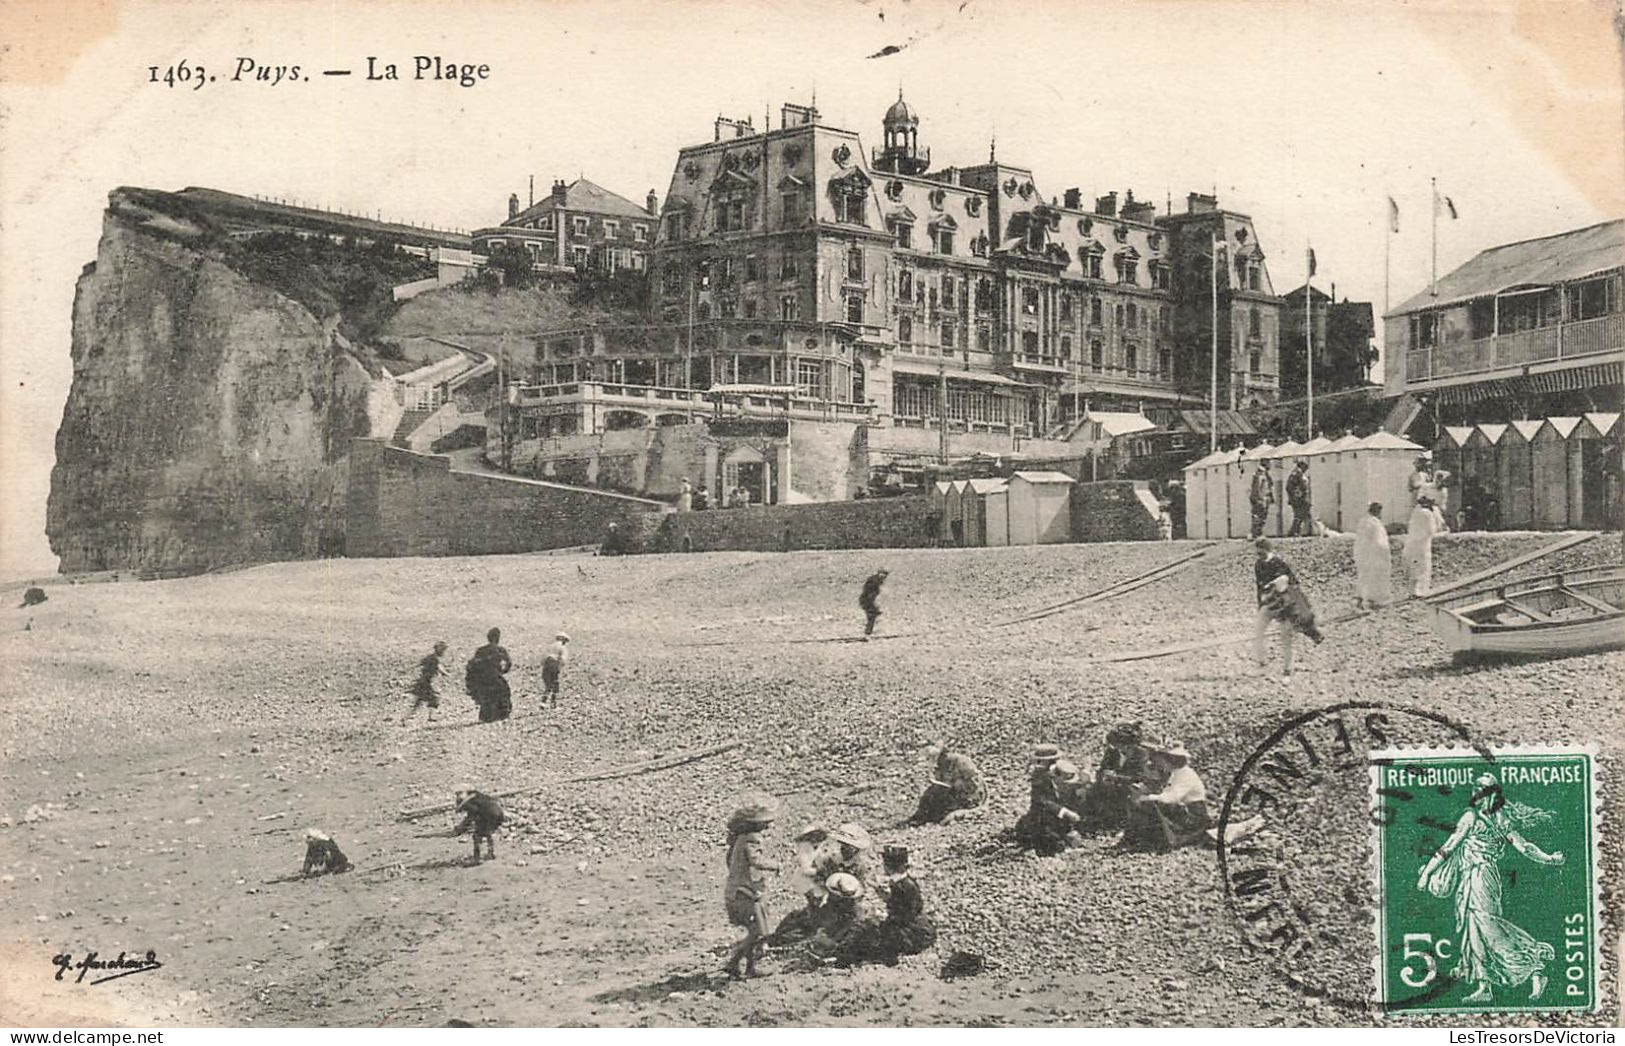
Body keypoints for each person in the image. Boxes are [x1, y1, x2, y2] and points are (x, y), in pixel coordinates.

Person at [1416, 773, 1564, 1004]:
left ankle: (1534, 965)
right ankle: (1485, 986)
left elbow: (1450, 847)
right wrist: (1548, 858)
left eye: (1481, 789)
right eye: (1476, 788)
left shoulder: (1484, 817)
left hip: (1481, 877)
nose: (1477, 793)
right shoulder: (1487, 817)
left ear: (1491, 793)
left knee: (1486, 927)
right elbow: (1451, 847)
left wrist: (1548, 858)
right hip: (1474, 877)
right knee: (1474, 929)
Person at [835, 846, 937, 966]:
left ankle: (846, 958)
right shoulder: (906, 882)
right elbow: (903, 905)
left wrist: (884, 918)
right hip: (921, 930)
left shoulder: (901, 886)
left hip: (911, 934)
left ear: (886, 865)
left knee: (867, 930)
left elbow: (904, 914)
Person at [724, 793, 783, 979]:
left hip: (739, 890)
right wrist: (775, 865)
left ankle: (747, 967)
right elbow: (756, 860)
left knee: (754, 931)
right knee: (758, 931)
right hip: (746, 893)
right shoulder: (752, 839)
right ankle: (734, 961)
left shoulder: (738, 840)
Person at [1120, 742, 1211, 851]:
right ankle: (1136, 840)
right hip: (1183, 812)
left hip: (1192, 816)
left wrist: (1148, 797)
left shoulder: (1186, 775)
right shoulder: (1176, 773)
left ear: (1169, 760)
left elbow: (1171, 798)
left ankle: (1161, 840)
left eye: (1161, 760)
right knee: (1143, 803)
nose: (1159, 763)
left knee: (1150, 804)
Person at [1253, 538, 1322, 677]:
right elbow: (1259, 587)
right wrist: (1260, 604)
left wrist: (1274, 585)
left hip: (1285, 605)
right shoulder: (1258, 564)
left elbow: (1290, 583)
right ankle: (1262, 661)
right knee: (1258, 629)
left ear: (1268, 550)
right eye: (1257, 553)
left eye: (1261, 552)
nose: (1259, 555)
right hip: (1269, 603)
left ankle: (1288, 668)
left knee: (1286, 636)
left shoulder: (1279, 563)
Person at [1079, 722, 1152, 833]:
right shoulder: (1112, 751)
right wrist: (1104, 776)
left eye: (1123, 745)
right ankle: (1097, 820)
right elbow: (1102, 768)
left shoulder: (1141, 754)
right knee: (1092, 789)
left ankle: (1121, 822)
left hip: (1128, 785)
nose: (1119, 747)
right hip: (1110, 783)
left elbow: (1140, 776)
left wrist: (1117, 777)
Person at [1014, 747, 1082, 854]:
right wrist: (1065, 812)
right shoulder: (1040, 779)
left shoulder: (1063, 772)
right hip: (1042, 819)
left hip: (1058, 819)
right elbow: (1043, 802)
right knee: (1052, 842)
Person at [907, 745, 986, 825]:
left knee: (940, 796)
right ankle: (921, 816)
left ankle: (934, 817)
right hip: (956, 787)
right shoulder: (944, 762)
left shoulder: (957, 761)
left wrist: (952, 783)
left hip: (969, 792)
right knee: (931, 794)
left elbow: (972, 780)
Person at [465, 628, 513, 723]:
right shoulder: (500, 650)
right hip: (495, 676)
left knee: (487, 696)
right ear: (498, 638)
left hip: (483, 678)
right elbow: (509, 663)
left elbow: (473, 664)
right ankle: (502, 715)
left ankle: (486, 717)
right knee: (503, 693)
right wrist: (503, 671)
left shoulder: (481, 650)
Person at [1353, 502, 1393, 611]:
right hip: (1374, 555)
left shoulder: (1363, 521)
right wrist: (1385, 555)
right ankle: (1375, 601)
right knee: (1376, 578)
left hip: (1362, 554)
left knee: (1363, 577)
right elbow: (1380, 542)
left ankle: (1360, 600)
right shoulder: (1375, 524)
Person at [452, 787, 505, 863]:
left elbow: (472, 815)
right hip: (498, 813)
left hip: (488, 815)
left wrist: (461, 827)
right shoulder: (477, 795)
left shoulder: (468, 803)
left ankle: (477, 858)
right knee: (488, 832)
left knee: (477, 835)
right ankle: (491, 852)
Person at [402, 640, 449, 724]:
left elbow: (419, 663)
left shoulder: (431, 657)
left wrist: (407, 669)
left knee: (419, 700)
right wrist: (446, 674)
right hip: (429, 682)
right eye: (443, 650)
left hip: (424, 681)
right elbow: (439, 668)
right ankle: (430, 716)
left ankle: (407, 716)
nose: (444, 652)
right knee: (434, 697)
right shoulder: (435, 658)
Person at [1405, 494, 1441, 597]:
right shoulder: (1428, 514)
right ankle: (1421, 591)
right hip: (1422, 544)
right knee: (1423, 567)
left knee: (1414, 567)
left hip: (1411, 543)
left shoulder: (1415, 512)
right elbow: (1432, 531)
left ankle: (1412, 591)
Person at [1248, 461, 1275, 539]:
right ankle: (1255, 534)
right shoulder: (1260, 474)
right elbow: (1257, 487)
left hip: (1263, 498)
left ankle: (1257, 533)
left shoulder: (1264, 473)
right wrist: (1259, 499)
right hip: (1260, 498)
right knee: (1258, 516)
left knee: (1261, 516)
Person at [541, 632, 569, 706]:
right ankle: (553, 703)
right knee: (555, 684)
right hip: (555, 667)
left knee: (548, 685)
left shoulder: (550, 646)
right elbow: (563, 659)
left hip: (546, 666)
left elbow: (543, 659)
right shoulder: (562, 648)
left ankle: (543, 702)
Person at [859, 569, 889, 638]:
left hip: (868, 600)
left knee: (872, 616)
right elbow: (869, 591)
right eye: (883, 574)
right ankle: (868, 633)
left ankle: (868, 632)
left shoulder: (876, 580)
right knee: (871, 616)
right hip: (867, 600)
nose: (884, 577)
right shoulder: (874, 581)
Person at [1286, 460, 1312, 537]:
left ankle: (1298, 531)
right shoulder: (1297, 474)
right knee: (1299, 515)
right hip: (1298, 498)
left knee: (1302, 514)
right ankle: (1294, 532)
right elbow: (1290, 487)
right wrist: (1297, 494)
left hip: (1300, 498)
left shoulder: (1298, 474)